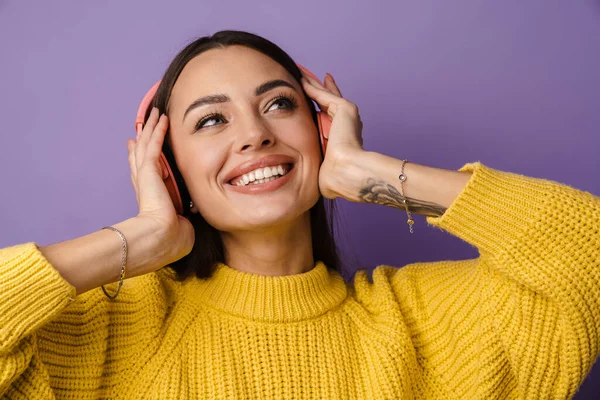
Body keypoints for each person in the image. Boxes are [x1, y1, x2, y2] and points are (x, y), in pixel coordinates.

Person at [0, 30, 598, 399]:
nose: (255, 134)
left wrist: (369, 177)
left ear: (322, 133)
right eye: (212, 120)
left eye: (279, 104)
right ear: (167, 168)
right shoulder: (112, 332)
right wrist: (145, 235)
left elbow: (587, 251)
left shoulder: (423, 328)